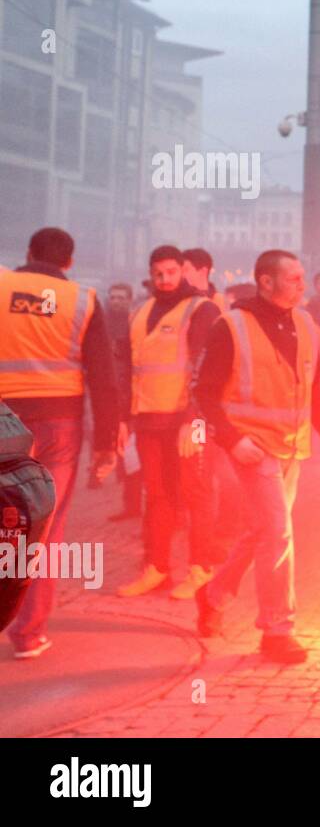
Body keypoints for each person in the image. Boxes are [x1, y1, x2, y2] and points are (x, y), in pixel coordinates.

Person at [189, 250, 320, 663]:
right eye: (293, 278)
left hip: (291, 447)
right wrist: (231, 438)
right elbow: (203, 392)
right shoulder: (231, 326)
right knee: (278, 533)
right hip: (252, 450)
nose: (302, 285)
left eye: (302, 277)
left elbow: (314, 390)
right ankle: (277, 631)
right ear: (265, 282)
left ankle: (213, 595)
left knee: (262, 531)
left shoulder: (306, 325)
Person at [0, 228, 119, 659]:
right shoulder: (82, 300)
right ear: (68, 263)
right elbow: (104, 378)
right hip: (59, 425)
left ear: (28, 253)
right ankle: (29, 634)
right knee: (43, 527)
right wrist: (107, 443)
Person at [116, 246, 223, 599]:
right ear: (151, 273)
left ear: (183, 272)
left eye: (172, 273)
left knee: (196, 494)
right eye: (158, 273)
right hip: (148, 421)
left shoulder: (201, 309)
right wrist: (122, 419)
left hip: (187, 420)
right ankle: (157, 569)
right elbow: (127, 370)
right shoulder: (139, 313)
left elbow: (207, 371)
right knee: (158, 496)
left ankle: (201, 570)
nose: (165, 280)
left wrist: (193, 421)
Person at [104, 283, 144, 519]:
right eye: (113, 297)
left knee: (137, 454)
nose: (116, 301)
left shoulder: (135, 323)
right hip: (115, 395)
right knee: (126, 452)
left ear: (129, 299)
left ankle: (139, 506)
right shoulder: (104, 322)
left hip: (136, 396)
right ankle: (131, 505)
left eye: (121, 297)